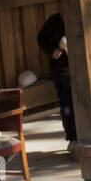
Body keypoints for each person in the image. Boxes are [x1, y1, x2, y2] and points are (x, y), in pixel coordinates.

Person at [37, 12, 77, 150]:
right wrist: (54, 50)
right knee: (67, 105)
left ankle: (88, 135)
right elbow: (41, 38)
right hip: (62, 69)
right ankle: (72, 138)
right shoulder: (54, 21)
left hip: (82, 65)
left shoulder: (81, 15)